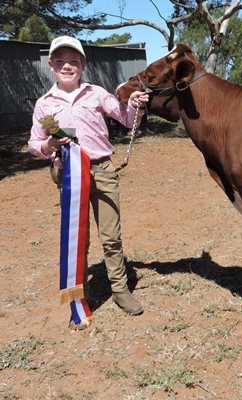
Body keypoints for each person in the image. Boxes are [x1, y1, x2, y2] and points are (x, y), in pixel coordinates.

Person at [28, 36, 149, 328]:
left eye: (73, 61)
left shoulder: (96, 93)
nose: (66, 66)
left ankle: (120, 290)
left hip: (103, 170)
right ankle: (78, 296)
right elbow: (34, 143)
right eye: (60, 61)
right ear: (51, 65)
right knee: (77, 240)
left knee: (111, 236)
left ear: (82, 64)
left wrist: (134, 104)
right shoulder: (44, 104)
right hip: (70, 174)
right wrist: (49, 145)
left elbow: (125, 117)